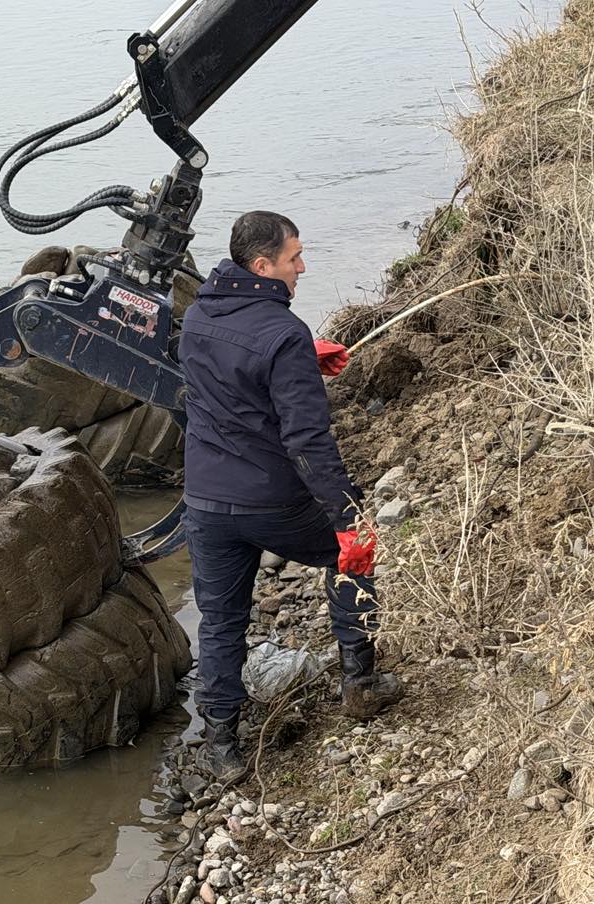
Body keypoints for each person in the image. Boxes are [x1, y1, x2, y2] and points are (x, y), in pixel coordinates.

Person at [179, 210, 403, 785]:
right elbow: (306, 441)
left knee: (221, 621)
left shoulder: (198, 315)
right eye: (294, 258)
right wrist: (347, 514)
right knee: (351, 555)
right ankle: (360, 683)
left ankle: (222, 747)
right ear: (262, 266)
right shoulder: (284, 334)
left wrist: (306, 359)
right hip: (272, 500)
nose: (302, 267)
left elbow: (228, 380)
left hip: (205, 501)